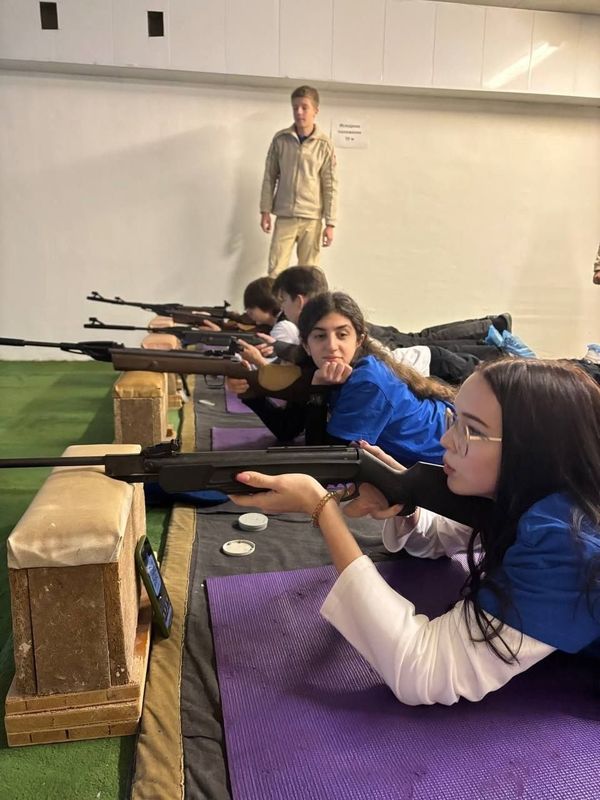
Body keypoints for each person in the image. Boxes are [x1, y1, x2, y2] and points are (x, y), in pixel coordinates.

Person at [230, 358, 600, 705]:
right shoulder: (534, 492)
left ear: (533, 450)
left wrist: (321, 508)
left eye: (471, 431)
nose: (446, 441)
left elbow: (422, 671)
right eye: (454, 420)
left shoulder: (566, 542)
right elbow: (440, 537)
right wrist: (403, 499)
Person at [230, 292, 455, 465]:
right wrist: (251, 394)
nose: (332, 345)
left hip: (448, 454)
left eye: (342, 334)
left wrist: (318, 391)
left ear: (359, 340)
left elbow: (323, 460)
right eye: (320, 336)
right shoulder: (315, 369)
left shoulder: (367, 381)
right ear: (306, 345)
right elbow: (287, 429)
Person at [260, 87, 338, 276]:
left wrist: (330, 223)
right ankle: (276, 298)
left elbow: (330, 185)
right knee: (275, 272)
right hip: (285, 216)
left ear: (315, 110)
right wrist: (265, 210)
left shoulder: (324, 145)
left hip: (312, 218)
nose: (299, 112)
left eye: (304, 107)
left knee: (309, 274)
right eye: (295, 108)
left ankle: (308, 299)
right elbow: (270, 177)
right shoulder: (280, 140)